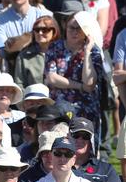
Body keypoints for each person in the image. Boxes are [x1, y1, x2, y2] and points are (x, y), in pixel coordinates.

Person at [44, 10, 103, 143]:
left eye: (79, 28)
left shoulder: (93, 51)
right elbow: (52, 78)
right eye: (72, 27)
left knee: (85, 149)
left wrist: (87, 52)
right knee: (59, 145)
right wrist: (80, 86)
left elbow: (89, 83)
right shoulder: (54, 47)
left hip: (86, 108)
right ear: (65, 26)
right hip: (59, 108)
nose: (75, 31)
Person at [14, 16, 61, 88]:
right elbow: (19, 84)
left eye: (45, 29)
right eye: (37, 30)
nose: (40, 33)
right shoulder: (24, 55)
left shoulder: (63, 52)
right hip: (33, 97)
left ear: (54, 31)